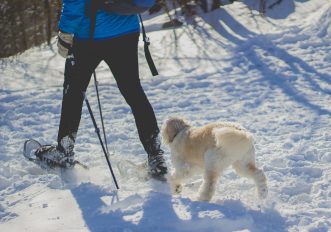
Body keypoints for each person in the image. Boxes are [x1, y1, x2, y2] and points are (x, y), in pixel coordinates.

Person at [34, 0, 168, 179]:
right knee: (133, 91)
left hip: (89, 36)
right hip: (126, 31)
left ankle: (64, 151)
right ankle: (156, 157)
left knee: (73, 92)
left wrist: (65, 32)